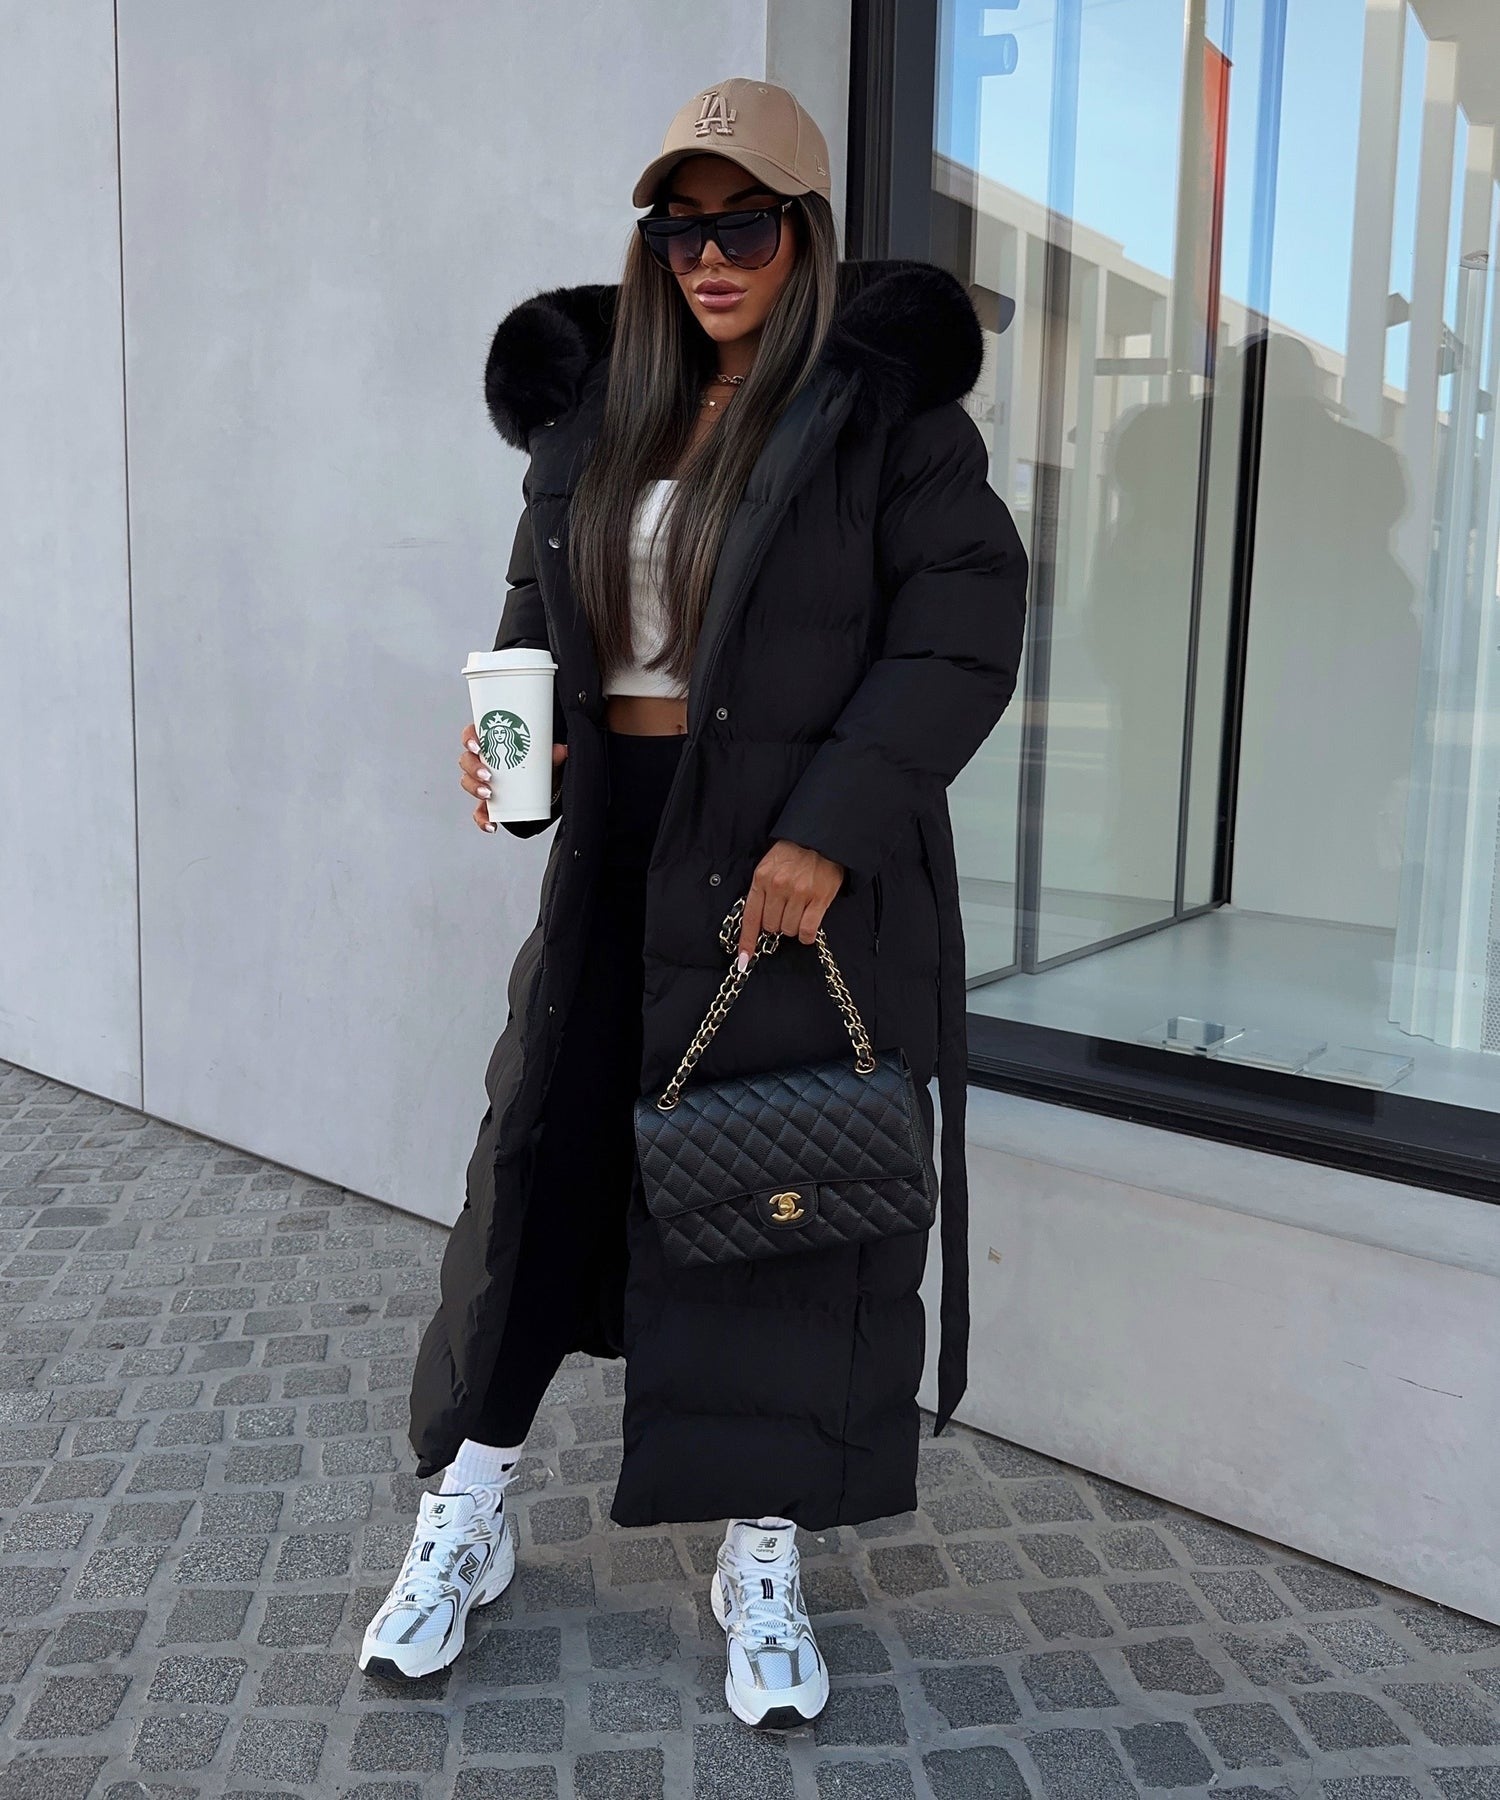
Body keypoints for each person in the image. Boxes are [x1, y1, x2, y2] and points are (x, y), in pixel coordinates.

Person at [360, 77, 1029, 1729]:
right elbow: (537, 613)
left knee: (773, 1197)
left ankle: (761, 1549)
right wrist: (518, 742)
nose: (710, 257)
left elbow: (961, 630)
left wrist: (831, 830)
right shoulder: (602, 413)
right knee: (544, 1176)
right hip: (615, 849)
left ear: (807, 235)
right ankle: (468, 1507)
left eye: (747, 225)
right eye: (679, 227)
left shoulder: (887, 423)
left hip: (790, 868)